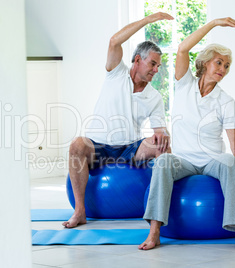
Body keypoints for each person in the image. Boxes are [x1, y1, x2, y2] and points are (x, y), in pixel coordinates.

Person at [139, 17, 235, 251]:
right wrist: (213, 24)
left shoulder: (226, 101)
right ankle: (154, 232)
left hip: (212, 160)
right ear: (204, 63)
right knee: (162, 161)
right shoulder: (183, 84)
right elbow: (183, 48)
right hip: (183, 160)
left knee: (229, 161)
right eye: (219, 63)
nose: (222, 69)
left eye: (226, 66)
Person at [62, 12, 174, 228]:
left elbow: (160, 130)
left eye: (158, 66)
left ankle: (158, 212)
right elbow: (114, 41)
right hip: (98, 145)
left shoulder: (154, 96)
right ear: (137, 60)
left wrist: (162, 136)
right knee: (77, 145)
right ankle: (79, 211)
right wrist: (146, 21)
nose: (156, 70)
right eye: (153, 64)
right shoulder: (116, 73)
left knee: (164, 148)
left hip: (130, 148)